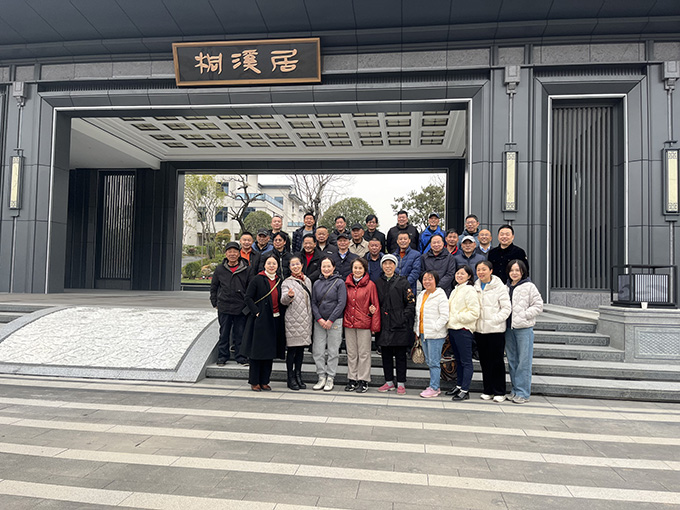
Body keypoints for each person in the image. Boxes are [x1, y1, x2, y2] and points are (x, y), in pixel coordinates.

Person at [241, 254, 286, 391]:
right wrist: (256, 312)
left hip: (275, 319)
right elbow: (248, 298)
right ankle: (254, 381)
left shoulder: (280, 280)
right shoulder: (257, 279)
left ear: (277, 266)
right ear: (264, 265)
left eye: (274, 263)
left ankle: (265, 380)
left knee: (269, 352)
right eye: (269, 263)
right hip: (260, 320)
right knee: (257, 352)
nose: (272, 266)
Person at [374, 254, 416, 395]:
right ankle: (389, 382)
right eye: (385, 263)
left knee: (400, 356)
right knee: (385, 355)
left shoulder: (403, 282)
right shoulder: (377, 283)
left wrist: (402, 317)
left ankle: (401, 383)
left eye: (391, 263)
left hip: (400, 326)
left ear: (395, 265)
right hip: (384, 325)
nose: (388, 266)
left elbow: (411, 303)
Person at [505, 259, 543, 404]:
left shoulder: (529, 286)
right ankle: (515, 390)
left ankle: (523, 392)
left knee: (524, 361)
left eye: (517, 270)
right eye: (511, 270)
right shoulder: (506, 287)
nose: (514, 273)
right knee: (512, 360)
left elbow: (538, 305)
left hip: (524, 329)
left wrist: (525, 315)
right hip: (508, 329)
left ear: (523, 272)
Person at [474, 260, 511, 402]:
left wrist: (495, 320)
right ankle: (488, 390)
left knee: (497, 361)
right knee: (484, 362)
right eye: (478, 269)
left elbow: (506, 308)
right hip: (480, 330)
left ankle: (499, 391)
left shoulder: (499, 287)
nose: (481, 272)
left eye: (484, 269)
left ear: (491, 271)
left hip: (495, 330)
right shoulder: (475, 287)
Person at [209, 242, 251, 366]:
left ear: (239, 253)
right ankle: (222, 356)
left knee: (240, 333)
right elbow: (214, 287)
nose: (232, 254)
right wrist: (214, 302)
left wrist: (247, 305)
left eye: (235, 251)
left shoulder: (246, 269)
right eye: (229, 251)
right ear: (226, 254)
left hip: (240, 306)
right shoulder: (220, 269)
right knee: (224, 333)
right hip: (224, 305)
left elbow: (250, 288)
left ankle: (241, 357)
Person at [343, 258, 380, 393]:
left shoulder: (370, 285)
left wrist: (374, 326)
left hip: (364, 323)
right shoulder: (346, 284)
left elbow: (375, 305)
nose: (357, 270)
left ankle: (363, 380)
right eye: (355, 268)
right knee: (352, 353)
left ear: (365, 269)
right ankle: (352, 378)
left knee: (364, 353)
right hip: (349, 322)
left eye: (360, 268)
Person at [311, 257, 347, 392]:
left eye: (328, 266)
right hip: (319, 321)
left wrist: (331, 319)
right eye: (323, 266)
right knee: (318, 350)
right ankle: (321, 376)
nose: (326, 269)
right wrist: (319, 318)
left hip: (335, 321)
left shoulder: (339, 283)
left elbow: (341, 303)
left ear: (333, 267)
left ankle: (330, 377)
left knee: (333, 351)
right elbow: (313, 302)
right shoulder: (316, 283)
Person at [446, 265, 481, 402]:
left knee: (466, 361)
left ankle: (465, 390)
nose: (459, 275)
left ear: (469, 276)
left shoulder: (470, 290)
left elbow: (474, 312)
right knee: (458, 360)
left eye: (462, 274)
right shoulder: (456, 289)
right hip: (453, 329)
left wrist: (457, 318)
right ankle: (459, 386)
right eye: (457, 273)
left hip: (463, 329)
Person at [414, 271, 450, 398]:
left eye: (430, 279)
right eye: (425, 279)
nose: (427, 281)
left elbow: (445, 316)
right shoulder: (421, 295)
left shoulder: (440, 295)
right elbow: (418, 315)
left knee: (434, 362)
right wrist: (417, 330)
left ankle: (434, 387)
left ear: (436, 280)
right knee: (429, 361)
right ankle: (433, 385)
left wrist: (435, 327)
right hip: (423, 333)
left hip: (435, 335)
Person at [280, 256, 314, 391]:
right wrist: (289, 296)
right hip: (293, 320)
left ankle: (298, 375)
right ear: (289, 267)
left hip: (306, 320)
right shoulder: (286, 282)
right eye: (292, 265)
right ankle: (290, 377)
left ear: (302, 265)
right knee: (292, 350)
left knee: (300, 350)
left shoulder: (307, 280)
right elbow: (283, 301)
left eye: (297, 264)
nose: (295, 266)